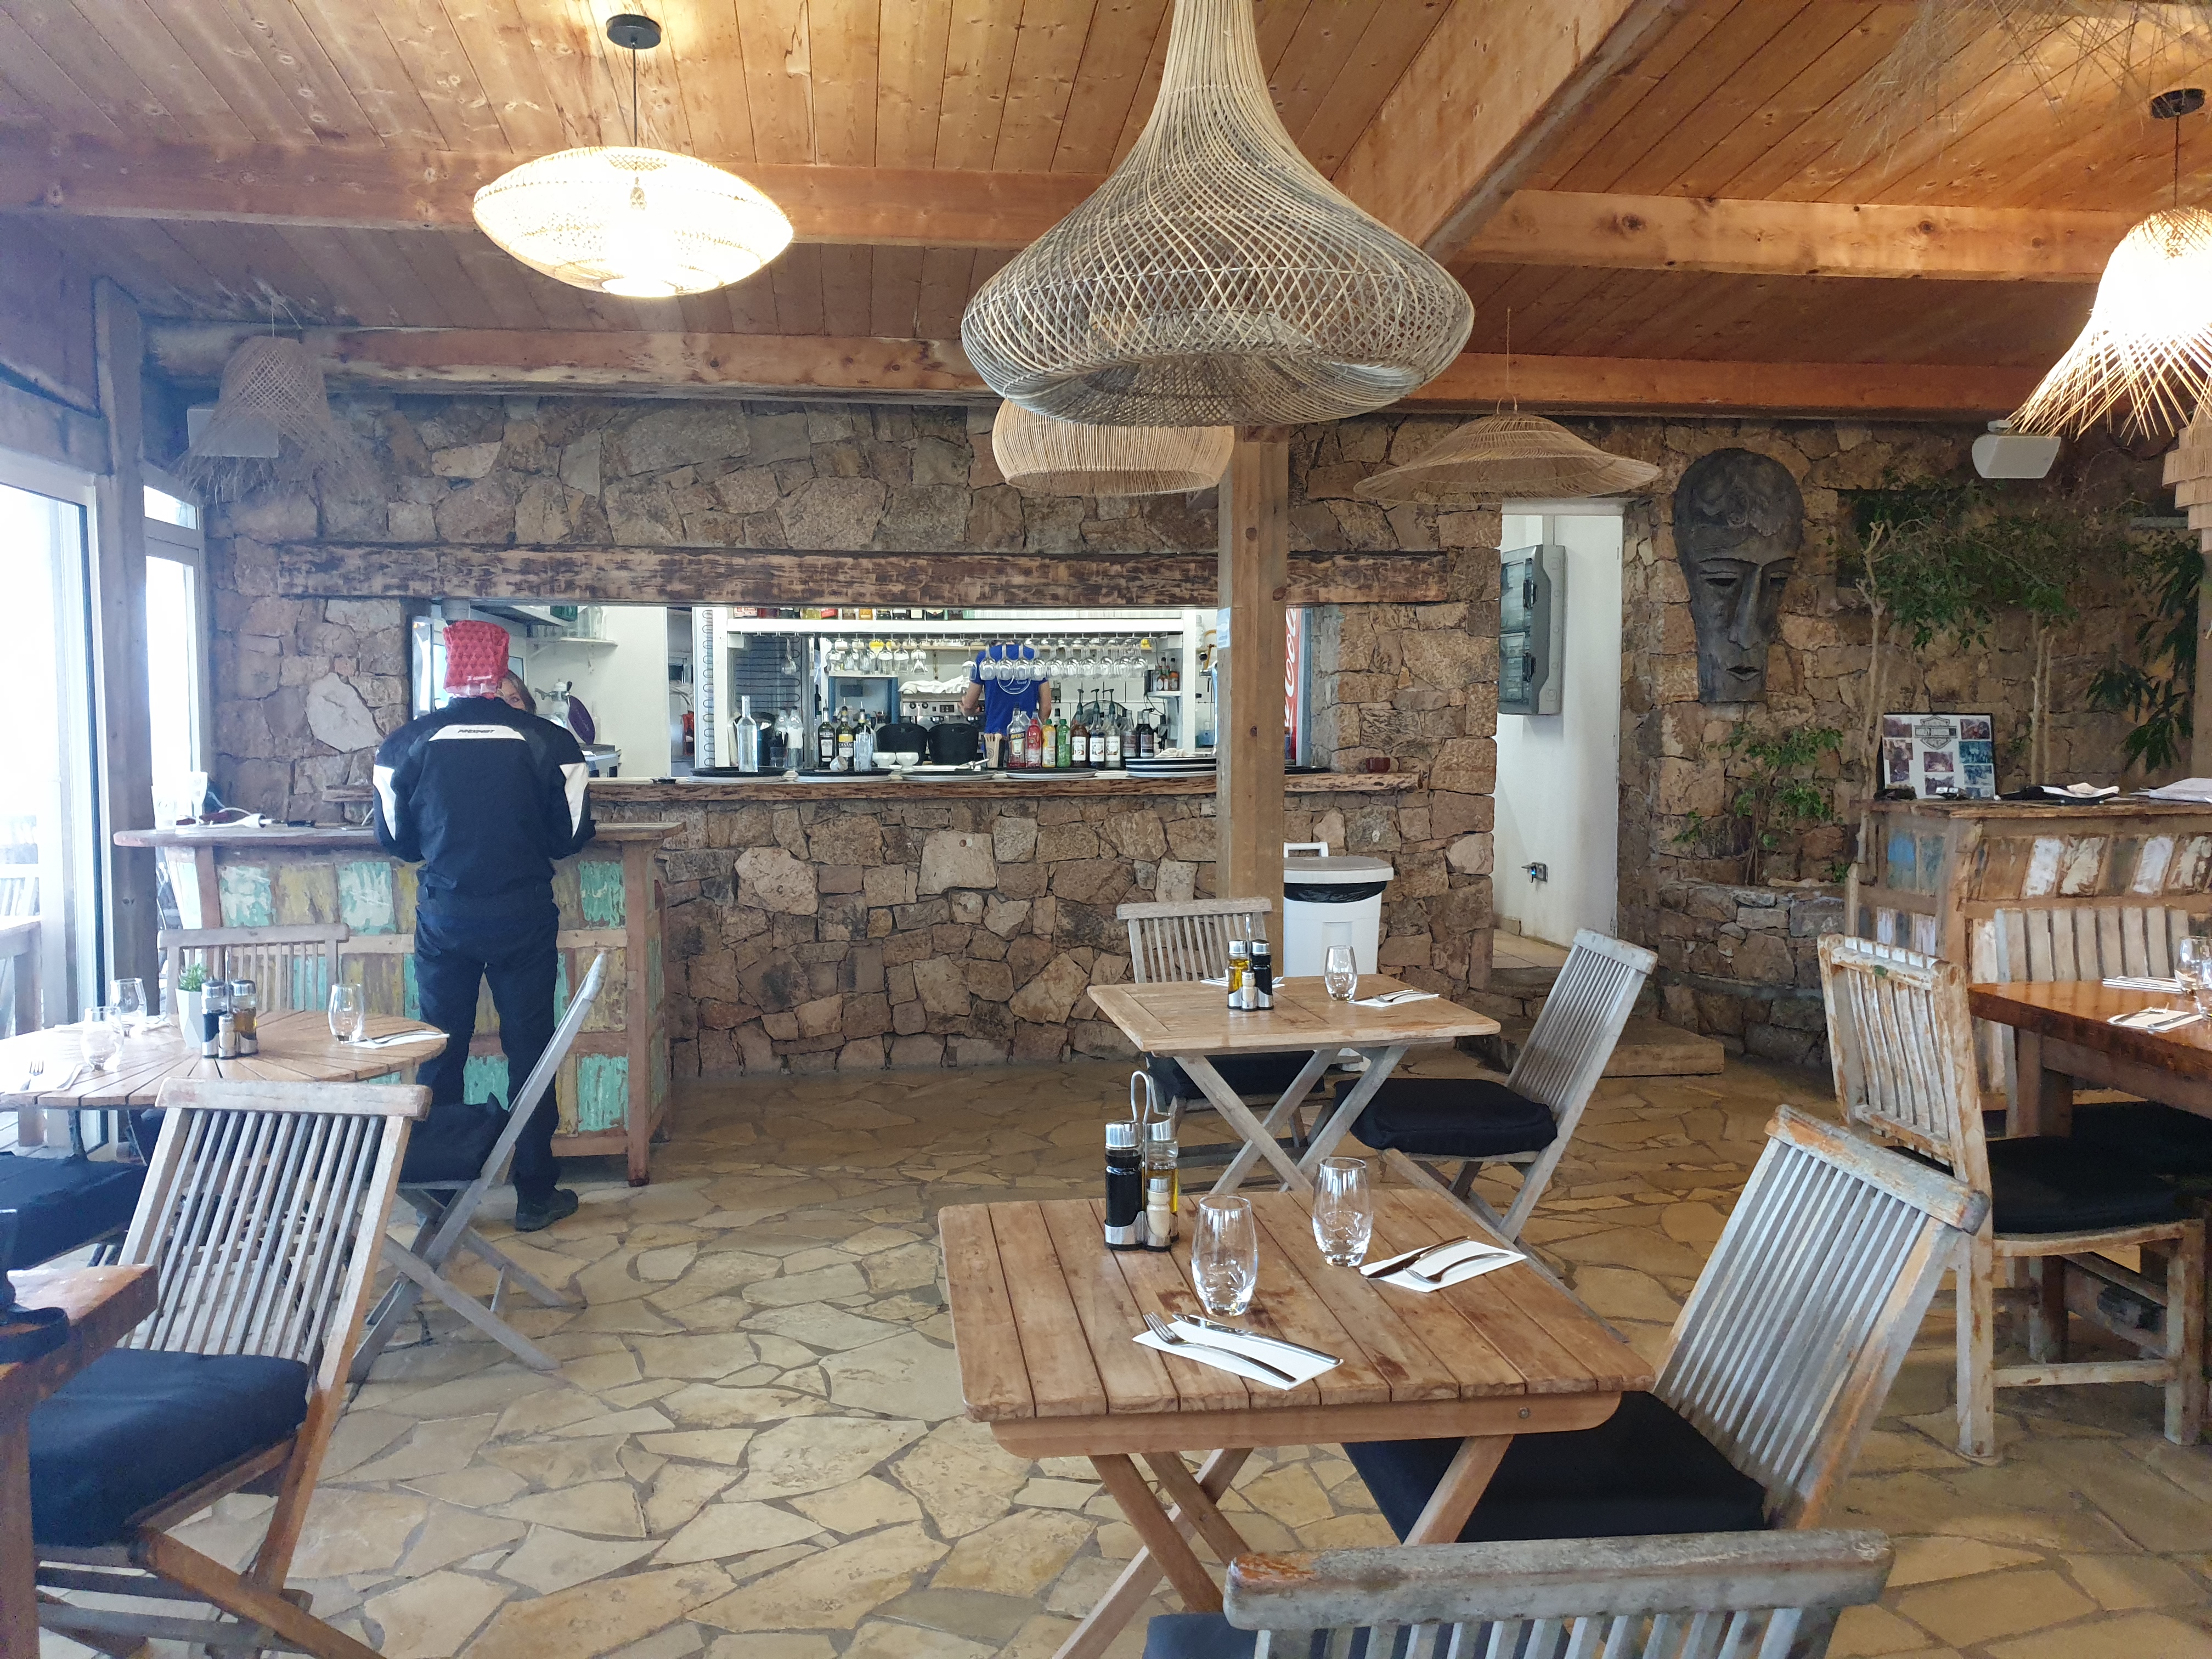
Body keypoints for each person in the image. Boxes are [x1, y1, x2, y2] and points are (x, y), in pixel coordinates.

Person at [372, 620, 594, 1231]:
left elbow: (396, 842)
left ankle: (438, 1196)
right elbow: (570, 837)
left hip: (445, 916)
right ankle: (535, 1192)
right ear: (500, 668)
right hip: (523, 915)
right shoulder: (551, 742)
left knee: (441, 1051)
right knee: (531, 1052)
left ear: (450, 669)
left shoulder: (405, 745)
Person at [960, 640, 1051, 740]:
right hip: (1028, 738)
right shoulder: (1035, 656)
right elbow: (1046, 707)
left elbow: (969, 706)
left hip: (995, 738)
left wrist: (967, 711)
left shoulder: (984, 657)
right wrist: (1037, 734)